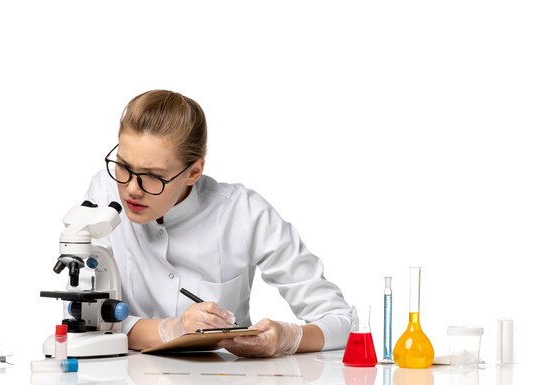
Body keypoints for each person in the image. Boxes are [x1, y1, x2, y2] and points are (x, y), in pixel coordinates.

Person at [84, 89, 356, 357]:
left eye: (153, 176)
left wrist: (288, 338)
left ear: (194, 172)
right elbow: (84, 315)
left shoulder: (243, 213)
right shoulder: (104, 192)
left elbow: (343, 321)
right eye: (123, 166)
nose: (131, 189)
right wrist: (171, 329)